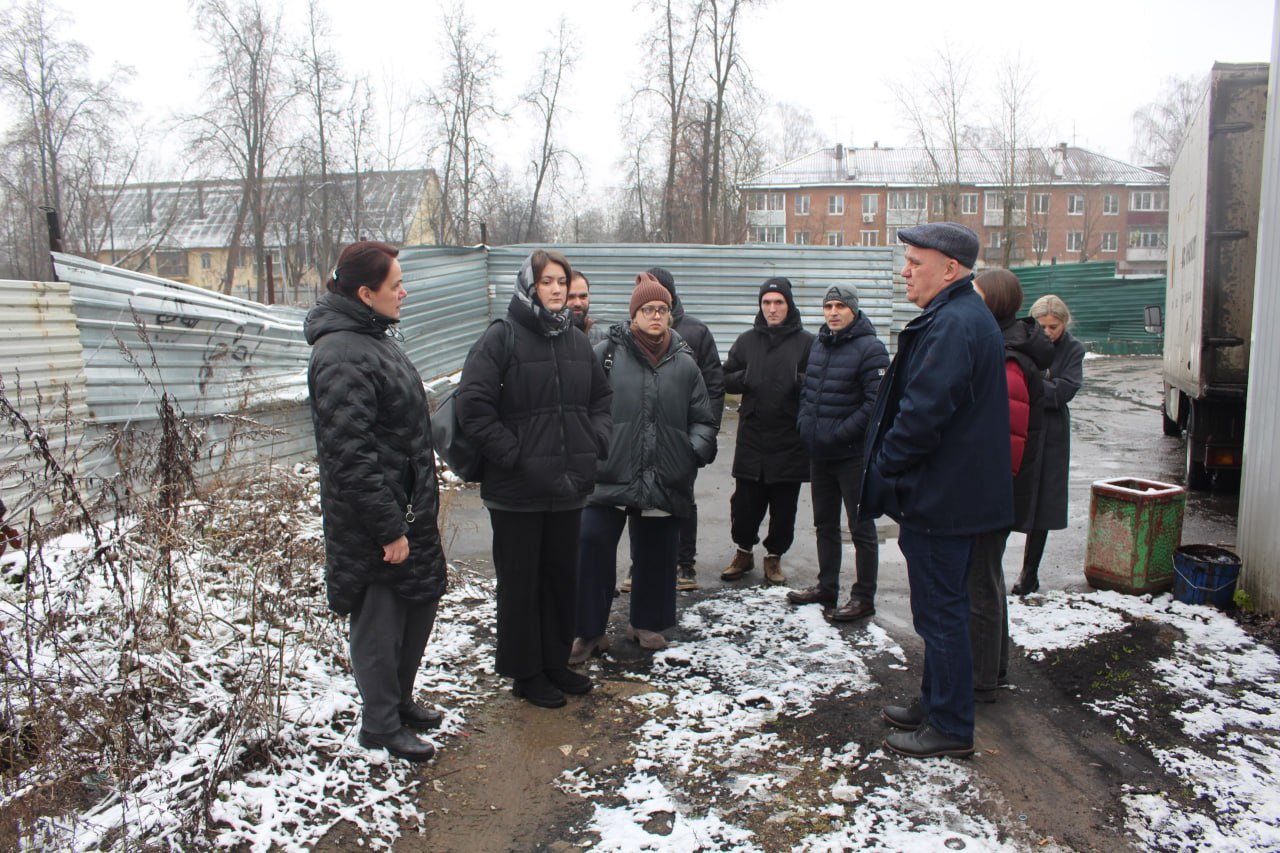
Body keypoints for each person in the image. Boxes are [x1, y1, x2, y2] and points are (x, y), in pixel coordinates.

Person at [861, 223, 1012, 759]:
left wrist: (886, 466)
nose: (905, 271)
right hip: (949, 495)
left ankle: (950, 725)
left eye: (914, 261)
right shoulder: (959, 316)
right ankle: (936, 701)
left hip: (943, 498)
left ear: (950, 268)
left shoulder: (955, 323)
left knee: (941, 613)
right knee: (940, 610)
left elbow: (923, 415)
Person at [305, 240, 447, 763]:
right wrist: (388, 528)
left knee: (417, 606)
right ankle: (380, 723)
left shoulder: (373, 338)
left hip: (408, 508)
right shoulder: (341, 353)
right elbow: (349, 456)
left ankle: (399, 702)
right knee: (380, 621)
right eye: (395, 286)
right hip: (376, 520)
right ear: (365, 293)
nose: (404, 292)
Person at [455, 249, 613, 709]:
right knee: (522, 583)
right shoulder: (501, 337)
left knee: (562, 578)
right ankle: (526, 673)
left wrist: (594, 441)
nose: (558, 289)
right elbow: (473, 407)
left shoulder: (577, 341)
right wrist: (516, 457)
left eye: (562, 281)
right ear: (530, 286)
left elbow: (601, 402)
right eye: (547, 281)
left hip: (568, 488)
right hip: (517, 492)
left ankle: (554, 663)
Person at [572, 273, 718, 661]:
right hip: (609, 471)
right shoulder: (605, 353)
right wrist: (592, 447)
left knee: (657, 550)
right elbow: (583, 406)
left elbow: (704, 417)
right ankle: (588, 631)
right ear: (634, 314)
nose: (656, 316)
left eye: (663, 310)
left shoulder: (685, 363)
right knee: (591, 545)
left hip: (664, 471)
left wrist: (692, 451)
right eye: (648, 309)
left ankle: (646, 622)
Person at [967, 269, 1053, 704]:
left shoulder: (1007, 359)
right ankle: (992, 668)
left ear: (993, 304)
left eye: (974, 294)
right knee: (988, 580)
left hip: (990, 494)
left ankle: (982, 677)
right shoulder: (1004, 347)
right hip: (992, 492)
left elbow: (1008, 443)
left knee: (980, 585)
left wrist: (982, 495)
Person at [790, 284, 889, 621]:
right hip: (821, 454)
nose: (833, 312)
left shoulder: (871, 348)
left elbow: (875, 403)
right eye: (828, 306)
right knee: (825, 525)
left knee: (861, 528)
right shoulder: (819, 344)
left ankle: (863, 598)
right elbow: (807, 392)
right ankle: (826, 586)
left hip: (852, 456)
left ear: (854, 310)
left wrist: (840, 433)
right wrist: (806, 425)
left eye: (840, 307)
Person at [624, 267, 725, 592]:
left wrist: (701, 441)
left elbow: (714, 386)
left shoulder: (695, 332)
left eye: (660, 304)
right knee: (638, 501)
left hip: (679, 439)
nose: (654, 313)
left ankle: (685, 565)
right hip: (642, 440)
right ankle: (637, 565)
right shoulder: (631, 336)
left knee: (682, 500)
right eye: (647, 305)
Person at [720, 277, 815, 586]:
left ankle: (774, 556)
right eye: (767, 303)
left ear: (789, 305)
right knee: (745, 503)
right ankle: (743, 551)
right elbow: (724, 377)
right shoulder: (747, 341)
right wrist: (746, 376)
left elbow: (818, 382)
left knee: (784, 506)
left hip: (789, 439)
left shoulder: (807, 343)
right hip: (752, 437)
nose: (772, 309)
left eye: (779, 302)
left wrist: (796, 380)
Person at [1013, 294, 1086, 596]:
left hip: (1053, 433)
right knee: (1009, 496)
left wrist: (1031, 385)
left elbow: (1064, 392)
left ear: (1064, 323)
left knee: (1042, 505)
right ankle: (987, 567)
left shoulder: (1072, 349)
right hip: (1022, 425)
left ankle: (1029, 574)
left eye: (1053, 326)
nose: (1047, 332)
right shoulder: (1023, 341)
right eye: (1042, 325)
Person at [567, 270, 610, 345]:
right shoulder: (550, 337)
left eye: (583, 296)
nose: (578, 303)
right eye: (570, 297)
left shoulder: (600, 338)